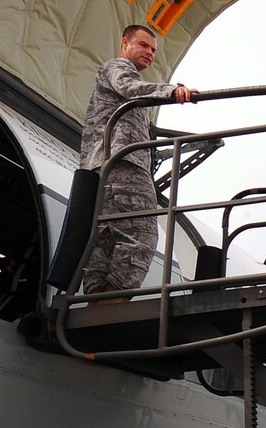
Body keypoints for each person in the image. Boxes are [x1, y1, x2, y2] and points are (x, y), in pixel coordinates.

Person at [77, 25, 195, 294]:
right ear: (125, 43)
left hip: (104, 166)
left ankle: (97, 298)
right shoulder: (118, 67)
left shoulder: (114, 81)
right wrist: (171, 91)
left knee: (106, 239)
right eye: (143, 45)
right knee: (141, 234)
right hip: (124, 164)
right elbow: (129, 87)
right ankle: (113, 300)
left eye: (153, 49)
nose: (150, 53)